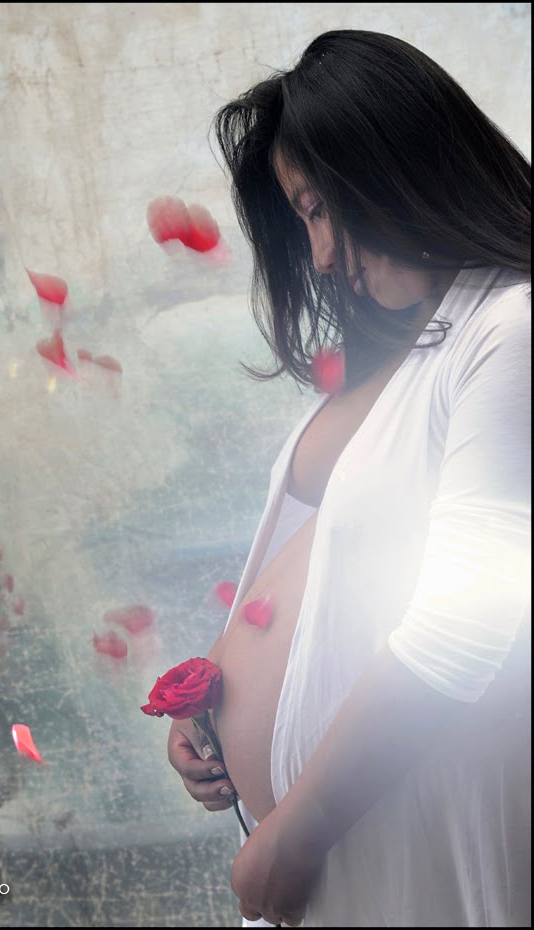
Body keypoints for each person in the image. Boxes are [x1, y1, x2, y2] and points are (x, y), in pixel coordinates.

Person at [166, 29, 531, 928]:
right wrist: (209, 703)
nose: (322, 255)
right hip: (338, 846)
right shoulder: (419, 340)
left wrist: (300, 831)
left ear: (398, 164)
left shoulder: (512, 326)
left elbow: (465, 623)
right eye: (305, 220)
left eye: (322, 209)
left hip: (385, 835)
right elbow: (327, 564)